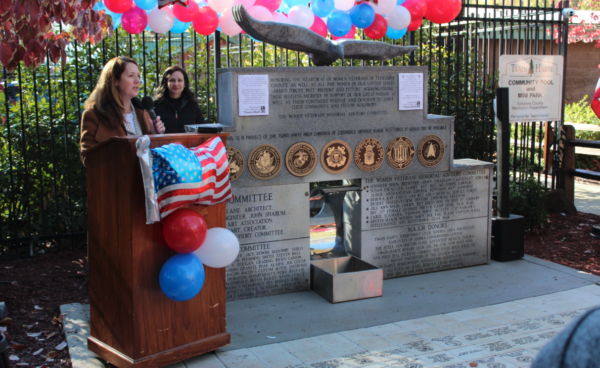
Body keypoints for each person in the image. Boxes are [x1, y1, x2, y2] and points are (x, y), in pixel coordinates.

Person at [80, 56, 165, 163]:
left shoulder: (143, 112)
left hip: (144, 179)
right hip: (115, 178)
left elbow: (153, 155)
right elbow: (87, 158)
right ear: (115, 80)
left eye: (138, 76)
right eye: (131, 75)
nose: (137, 81)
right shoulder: (94, 114)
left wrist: (154, 135)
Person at [153, 66, 205, 133]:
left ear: (184, 83)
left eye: (179, 80)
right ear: (166, 82)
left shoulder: (193, 104)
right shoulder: (156, 105)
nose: (176, 84)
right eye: (172, 80)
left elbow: (202, 130)